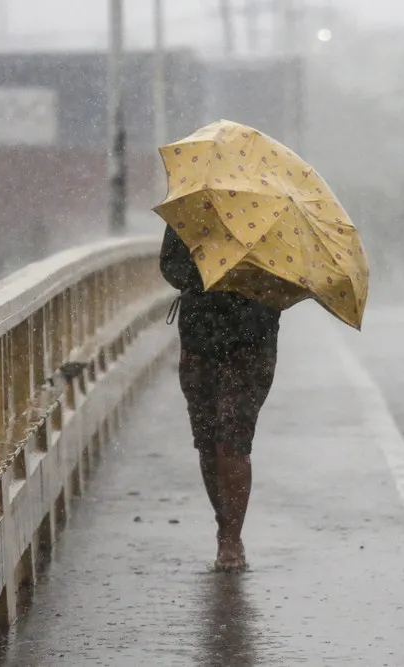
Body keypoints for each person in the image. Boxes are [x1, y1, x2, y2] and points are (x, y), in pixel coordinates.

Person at [160, 225, 280, 571]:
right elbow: (171, 267)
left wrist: (247, 278)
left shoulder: (273, 218)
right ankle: (223, 524)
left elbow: (287, 280)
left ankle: (231, 538)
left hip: (252, 340)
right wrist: (207, 267)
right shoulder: (195, 208)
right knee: (208, 443)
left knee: (233, 441)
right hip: (200, 337)